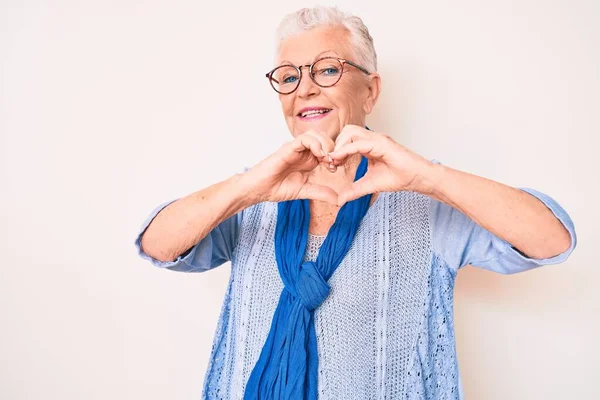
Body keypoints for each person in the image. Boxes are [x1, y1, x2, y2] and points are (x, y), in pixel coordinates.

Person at [134, 6, 577, 400]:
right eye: (289, 76)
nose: (304, 88)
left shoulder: (423, 197)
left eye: (326, 70)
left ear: (370, 90)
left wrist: (428, 177)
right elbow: (157, 245)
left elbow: (552, 239)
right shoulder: (254, 194)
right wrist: (248, 188)